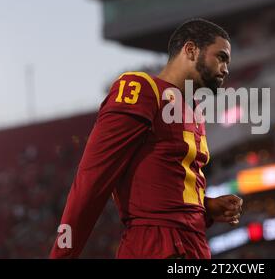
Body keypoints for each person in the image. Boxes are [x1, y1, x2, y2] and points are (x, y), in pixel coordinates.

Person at [49, 18, 243, 259]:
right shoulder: (140, 89)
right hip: (155, 246)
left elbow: (163, 185)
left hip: (193, 246)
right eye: (221, 57)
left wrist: (205, 207)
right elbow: (92, 180)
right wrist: (62, 255)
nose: (225, 68)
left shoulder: (192, 109)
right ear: (191, 50)